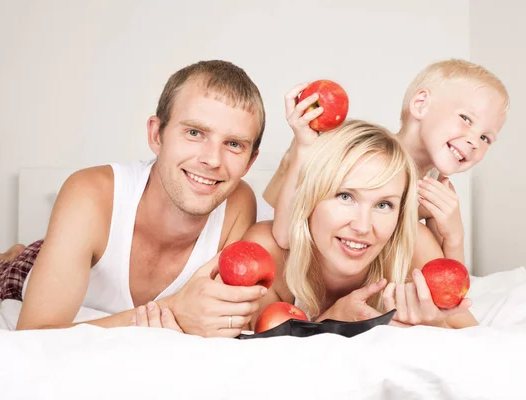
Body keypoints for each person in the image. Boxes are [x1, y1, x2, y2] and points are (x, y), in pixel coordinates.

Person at [0, 60, 269, 338]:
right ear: (156, 135)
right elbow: (33, 336)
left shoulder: (238, 202)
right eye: (194, 133)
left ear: (250, 162)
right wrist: (173, 310)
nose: (212, 160)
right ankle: (14, 254)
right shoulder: (89, 193)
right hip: (22, 272)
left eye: (234, 144)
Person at [135, 120, 477, 330]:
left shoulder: (411, 241)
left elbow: (471, 330)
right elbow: (269, 342)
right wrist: (330, 321)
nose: (362, 226)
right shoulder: (265, 252)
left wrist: (438, 323)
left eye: (384, 205)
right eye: (345, 196)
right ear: (309, 198)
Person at [263, 59, 509, 265]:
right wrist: (304, 147)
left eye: (486, 137)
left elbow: (448, 285)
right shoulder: (359, 153)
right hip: (313, 274)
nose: (475, 141)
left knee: (418, 240)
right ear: (421, 105)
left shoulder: (436, 194)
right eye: (466, 119)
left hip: (369, 285)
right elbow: (284, 237)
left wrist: (454, 236)